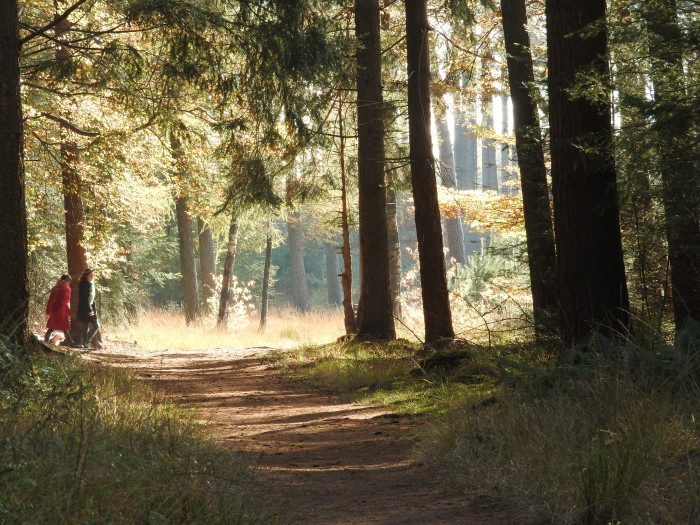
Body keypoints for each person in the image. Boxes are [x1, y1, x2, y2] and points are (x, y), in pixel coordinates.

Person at [44, 274, 76, 346]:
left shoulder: (67, 287)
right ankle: (46, 338)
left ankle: (71, 342)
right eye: (68, 281)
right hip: (57, 309)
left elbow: (66, 300)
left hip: (63, 309)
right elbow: (52, 299)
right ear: (64, 280)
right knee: (54, 325)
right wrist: (49, 309)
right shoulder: (58, 287)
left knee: (64, 326)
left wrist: (67, 310)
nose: (69, 283)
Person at [77, 268, 101, 348]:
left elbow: (91, 298)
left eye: (93, 275)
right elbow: (84, 298)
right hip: (85, 308)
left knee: (94, 326)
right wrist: (89, 310)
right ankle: (85, 343)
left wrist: (92, 308)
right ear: (86, 276)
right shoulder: (84, 285)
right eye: (91, 275)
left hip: (89, 307)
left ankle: (86, 343)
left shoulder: (90, 284)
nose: (92, 277)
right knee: (88, 326)